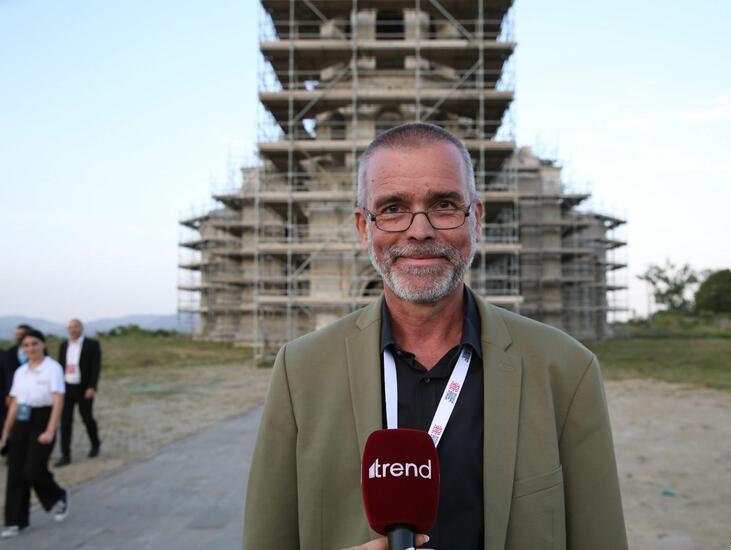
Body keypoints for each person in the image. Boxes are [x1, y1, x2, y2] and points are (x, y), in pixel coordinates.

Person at [243, 123, 628, 549]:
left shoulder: (566, 370)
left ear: (475, 219)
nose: (419, 230)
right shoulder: (300, 372)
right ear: (363, 227)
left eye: (444, 205)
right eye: (393, 208)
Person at [1, 329, 69, 538]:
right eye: (26, 345)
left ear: (43, 345)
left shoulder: (52, 368)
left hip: (43, 419)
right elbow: (14, 403)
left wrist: (50, 430)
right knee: (15, 473)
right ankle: (15, 522)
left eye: (34, 344)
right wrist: (6, 432)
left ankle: (57, 496)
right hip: (22, 421)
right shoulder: (21, 372)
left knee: (32, 470)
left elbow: (58, 400)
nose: (30, 348)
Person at [55, 319, 101, 466]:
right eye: (70, 327)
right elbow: (60, 366)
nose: (73, 329)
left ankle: (95, 443)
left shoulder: (91, 344)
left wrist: (92, 386)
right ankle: (65, 454)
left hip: (84, 388)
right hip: (67, 387)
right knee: (65, 421)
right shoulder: (64, 345)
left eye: (75, 326)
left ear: (81, 328)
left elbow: (95, 366)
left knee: (87, 418)